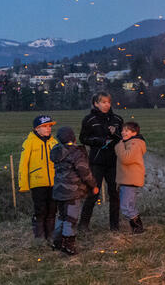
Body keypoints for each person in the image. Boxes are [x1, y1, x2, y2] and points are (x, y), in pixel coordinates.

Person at [79, 91, 124, 232]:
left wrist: (115, 133)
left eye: (108, 102)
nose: (106, 105)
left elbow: (124, 138)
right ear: (96, 104)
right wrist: (98, 141)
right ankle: (83, 225)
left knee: (115, 194)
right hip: (97, 161)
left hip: (113, 161)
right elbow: (83, 138)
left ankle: (114, 226)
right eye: (103, 102)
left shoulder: (117, 119)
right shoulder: (89, 120)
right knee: (93, 193)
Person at [51, 126, 99, 255]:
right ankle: (68, 246)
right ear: (73, 137)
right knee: (71, 218)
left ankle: (57, 241)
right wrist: (93, 185)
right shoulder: (76, 153)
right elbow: (84, 172)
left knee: (61, 216)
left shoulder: (56, 151)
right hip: (73, 191)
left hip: (59, 191)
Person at [17, 114, 58, 245]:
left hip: (53, 182)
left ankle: (50, 235)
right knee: (40, 210)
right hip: (37, 183)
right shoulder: (29, 142)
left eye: (50, 126)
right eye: (44, 126)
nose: (48, 129)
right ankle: (39, 237)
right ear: (36, 129)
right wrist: (23, 184)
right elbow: (23, 164)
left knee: (52, 209)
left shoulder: (54, 143)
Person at [115, 121, 147, 234]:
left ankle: (138, 228)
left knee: (126, 206)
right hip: (128, 178)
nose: (123, 132)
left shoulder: (135, 144)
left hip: (130, 179)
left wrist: (119, 145)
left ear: (134, 132)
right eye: (123, 130)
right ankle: (137, 228)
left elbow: (126, 158)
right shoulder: (131, 142)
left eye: (126, 130)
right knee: (129, 204)